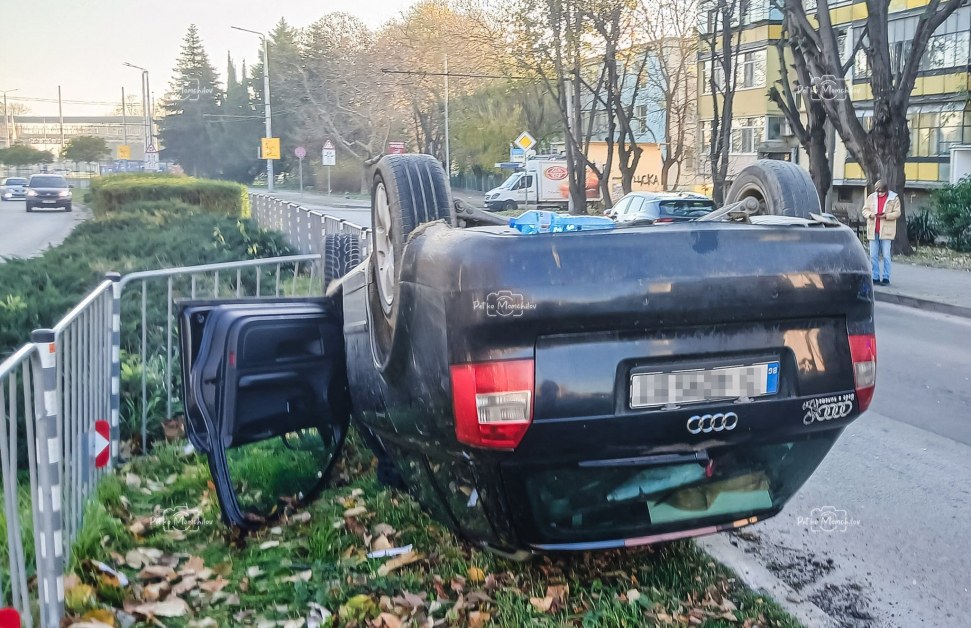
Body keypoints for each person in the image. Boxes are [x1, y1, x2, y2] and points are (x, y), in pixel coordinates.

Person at [861, 179, 901, 285]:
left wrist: (886, 216)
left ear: (886, 190)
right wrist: (871, 214)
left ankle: (886, 277)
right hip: (873, 230)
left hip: (886, 230)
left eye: (882, 192)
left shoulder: (894, 198)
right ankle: (875, 276)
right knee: (873, 255)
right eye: (878, 192)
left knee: (886, 255)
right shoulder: (871, 197)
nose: (880, 194)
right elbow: (864, 210)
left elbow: (897, 212)